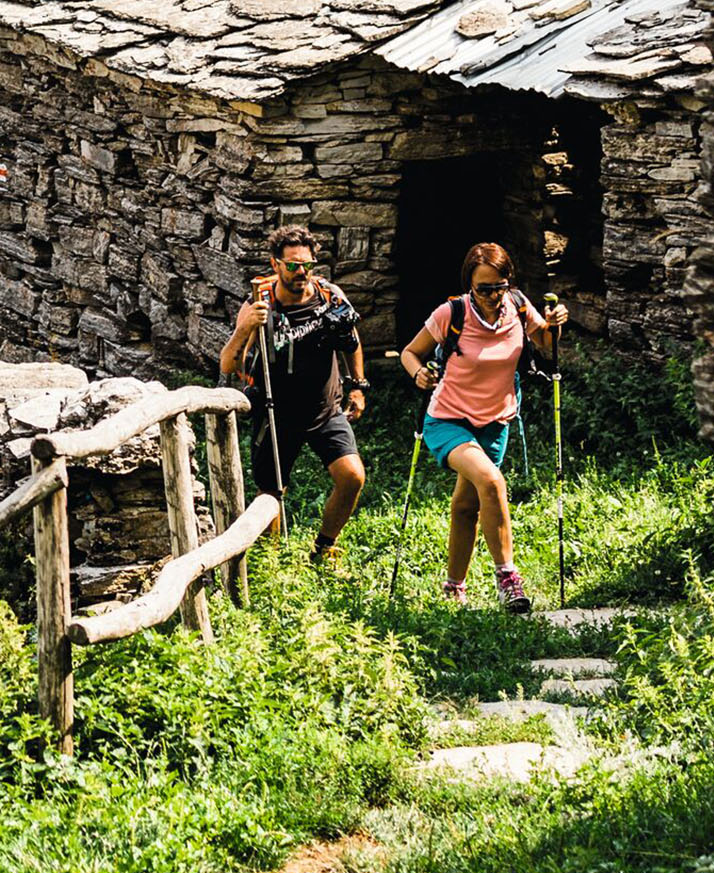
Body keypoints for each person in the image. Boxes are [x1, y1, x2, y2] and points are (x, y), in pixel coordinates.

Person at [399, 241, 564, 612]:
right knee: (491, 482)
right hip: (447, 419)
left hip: (496, 422)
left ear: (509, 282)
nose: (491, 295)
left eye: (498, 287)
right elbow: (411, 352)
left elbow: (544, 341)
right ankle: (508, 579)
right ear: (470, 287)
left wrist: (552, 326)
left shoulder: (519, 306)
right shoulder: (451, 312)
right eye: (483, 289)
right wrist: (419, 375)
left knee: (466, 506)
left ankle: (453, 587)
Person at [218, 226, 368, 562]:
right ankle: (272, 560)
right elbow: (228, 362)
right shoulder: (259, 303)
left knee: (352, 477)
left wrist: (357, 386)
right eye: (292, 266)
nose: (301, 273)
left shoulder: (329, 295)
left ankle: (324, 547)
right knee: (272, 493)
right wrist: (246, 329)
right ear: (275, 264)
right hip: (276, 412)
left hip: (325, 409)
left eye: (307, 265)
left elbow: (351, 339)